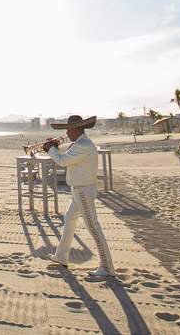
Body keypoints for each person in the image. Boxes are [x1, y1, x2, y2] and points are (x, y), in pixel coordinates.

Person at [44, 114, 116, 277]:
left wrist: (51, 150)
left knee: (93, 227)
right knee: (69, 219)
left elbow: (62, 161)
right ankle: (62, 256)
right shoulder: (81, 144)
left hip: (83, 191)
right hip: (80, 190)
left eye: (69, 130)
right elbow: (69, 158)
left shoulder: (82, 145)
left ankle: (107, 266)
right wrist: (55, 148)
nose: (67, 134)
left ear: (76, 129)